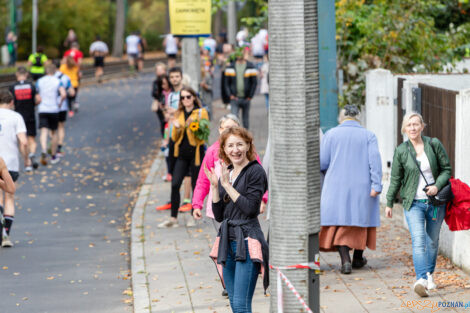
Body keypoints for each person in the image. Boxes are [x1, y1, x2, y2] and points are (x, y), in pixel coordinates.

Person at [385, 112, 451, 297]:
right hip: (413, 203)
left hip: (435, 202)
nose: (412, 128)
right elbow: (396, 178)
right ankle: (421, 278)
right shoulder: (401, 150)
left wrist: (437, 186)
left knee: (432, 242)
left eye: (416, 124)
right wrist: (389, 202)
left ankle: (429, 275)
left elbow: (446, 169)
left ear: (422, 126)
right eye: (409, 125)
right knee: (418, 241)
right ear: (404, 129)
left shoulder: (433, 144)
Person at [207, 126, 269, 312]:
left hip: (247, 240)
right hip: (228, 240)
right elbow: (219, 215)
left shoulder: (255, 172)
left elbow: (250, 209)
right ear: (224, 149)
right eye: (230, 145)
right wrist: (215, 187)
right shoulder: (229, 171)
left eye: (240, 144)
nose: (236, 150)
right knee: (234, 301)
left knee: (242, 304)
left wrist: (228, 186)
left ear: (248, 145)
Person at [319, 105, 382, 275]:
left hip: (335, 185)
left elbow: (322, 162)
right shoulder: (369, 136)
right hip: (362, 185)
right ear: (358, 118)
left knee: (339, 221)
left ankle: (345, 259)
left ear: (341, 118)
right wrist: (376, 185)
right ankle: (357, 258)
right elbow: (374, 162)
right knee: (361, 221)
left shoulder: (330, 134)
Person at [158, 87, 209, 228]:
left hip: (196, 154)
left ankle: (194, 215)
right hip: (181, 154)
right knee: (175, 183)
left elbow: (204, 135)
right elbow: (174, 137)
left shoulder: (201, 112)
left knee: (195, 185)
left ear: (194, 97)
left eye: (188, 97)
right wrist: (178, 128)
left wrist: (193, 126)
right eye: (182, 97)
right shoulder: (179, 113)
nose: (185, 100)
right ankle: (173, 218)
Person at [0, 90, 28, 247]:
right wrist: (26, 159)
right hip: (10, 162)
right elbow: (23, 141)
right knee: (9, 197)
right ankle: (6, 235)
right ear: (11, 102)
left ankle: (0, 231)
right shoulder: (16, 117)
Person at [9, 66, 41, 171]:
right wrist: (33, 104)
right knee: (31, 139)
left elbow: (10, 103)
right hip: (30, 115)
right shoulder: (31, 85)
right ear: (26, 74)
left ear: (17, 75)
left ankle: (27, 163)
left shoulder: (12, 87)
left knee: (22, 141)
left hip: (18, 116)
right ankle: (31, 153)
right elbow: (38, 99)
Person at [36, 64, 66, 165]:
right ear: (54, 71)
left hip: (43, 109)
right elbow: (63, 94)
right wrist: (60, 103)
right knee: (54, 133)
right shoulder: (57, 81)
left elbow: (37, 96)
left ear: (45, 71)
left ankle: (44, 150)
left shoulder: (40, 81)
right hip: (54, 109)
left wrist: (38, 103)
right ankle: (53, 156)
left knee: (43, 131)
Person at [223, 49, 258, 129]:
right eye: (238, 53)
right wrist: (230, 95)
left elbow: (254, 83)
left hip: (246, 98)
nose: (240, 55)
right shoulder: (230, 67)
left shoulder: (250, 66)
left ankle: (245, 138)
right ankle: (235, 137)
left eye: (242, 53)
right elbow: (226, 83)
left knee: (246, 120)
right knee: (234, 119)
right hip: (234, 98)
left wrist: (250, 96)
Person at [55, 62, 75, 157]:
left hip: (50, 108)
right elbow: (72, 92)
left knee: (52, 129)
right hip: (62, 106)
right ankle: (59, 147)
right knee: (61, 127)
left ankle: (52, 145)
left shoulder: (45, 79)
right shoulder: (65, 77)